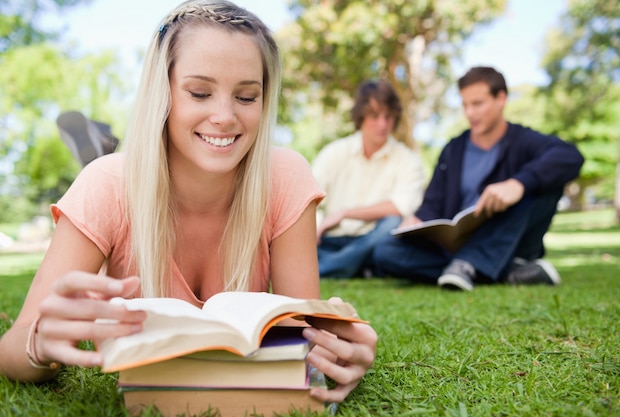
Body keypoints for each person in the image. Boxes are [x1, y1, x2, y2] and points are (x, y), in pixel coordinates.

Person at [0, 0, 377, 405]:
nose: (225, 116)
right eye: (200, 92)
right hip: (121, 180)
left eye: (247, 97)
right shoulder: (105, 186)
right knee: (111, 170)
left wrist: (338, 353)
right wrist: (38, 343)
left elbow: (304, 342)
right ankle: (105, 148)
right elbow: (12, 349)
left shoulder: (285, 178)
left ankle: (107, 142)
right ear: (162, 92)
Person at [373, 66, 584, 291]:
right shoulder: (453, 150)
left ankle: (470, 265)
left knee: (542, 184)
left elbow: (570, 156)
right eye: (465, 105)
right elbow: (433, 204)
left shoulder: (523, 140)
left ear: (501, 99)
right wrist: (418, 219)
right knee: (386, 250)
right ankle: (501, 271)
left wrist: (518, 184)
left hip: (508, 238)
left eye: (477, 104)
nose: (470, 113)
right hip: (457, 243)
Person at [313, 79, 425, 278]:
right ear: (361, 116)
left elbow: (400, 208)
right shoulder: (334, 153)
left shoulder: (408, 160)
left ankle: (325, 269)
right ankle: (356, 266)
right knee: (305, 239)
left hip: (377, 240)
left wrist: (345, 213)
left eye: (388, 117)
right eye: (374, 116)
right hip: (334, 240)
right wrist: (315, 226)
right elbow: (306, 199)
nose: (382, 124)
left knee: (391, 224)